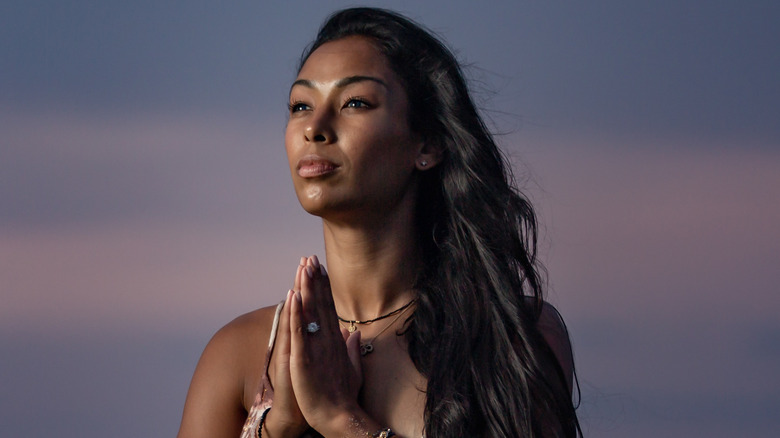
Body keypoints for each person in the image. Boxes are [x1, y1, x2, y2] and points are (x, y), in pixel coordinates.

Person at [177, 7, 581, 438]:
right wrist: (280, 426)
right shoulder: (238, 353)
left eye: (355, 103)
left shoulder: (511, 335)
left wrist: (341, 420)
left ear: (427, 143)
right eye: (300, 105)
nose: (315, 127)